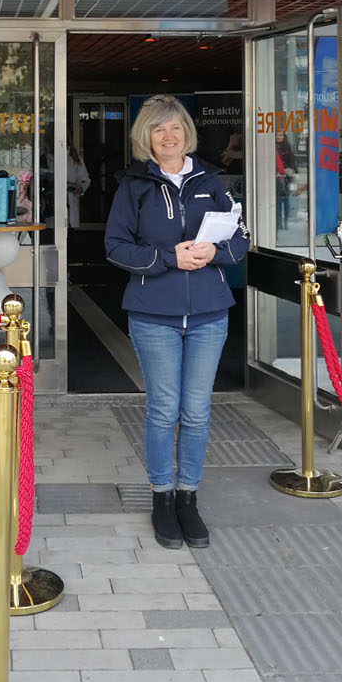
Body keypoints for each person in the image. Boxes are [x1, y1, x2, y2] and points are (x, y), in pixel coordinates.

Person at [104, 94, 249, 549]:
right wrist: (170, 257)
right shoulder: (134, 185)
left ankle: (189, 496)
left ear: (187, 132)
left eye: (176, 128)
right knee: (164, 410)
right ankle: (161, 496)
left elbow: (240, 238)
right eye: (158, 129)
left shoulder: (210, 181)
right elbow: (115, 247)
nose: (169, 137)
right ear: (145, 137)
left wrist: (215, 252)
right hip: (154, 315)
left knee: (197, 411)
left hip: (209, 312)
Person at [67, 148, 91, 228]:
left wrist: (81, 188)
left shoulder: (74, 159)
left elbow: (85, 180)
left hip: (71, 199)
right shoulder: (44, 157)